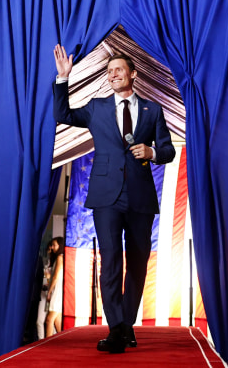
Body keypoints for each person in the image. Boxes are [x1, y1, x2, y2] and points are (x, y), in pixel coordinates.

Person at [52, 46, 175, 354]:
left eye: (118, 69)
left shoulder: (153, 110)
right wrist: (63, 78)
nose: (112, 74)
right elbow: (62, 114)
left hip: (140, 197)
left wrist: (152, 152)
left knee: (137, 263)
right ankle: (118, 329)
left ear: (133, 74)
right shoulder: (96, 108)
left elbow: (168, 150)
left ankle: (125, 326)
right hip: (106, 196)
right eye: (109, 71)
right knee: (110, 262)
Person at [45, 236, 65, 337]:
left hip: (57, 291)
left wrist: (49, 291)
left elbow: (56, 277)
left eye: (54, 245)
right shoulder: (60, 257)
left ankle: (47, 344)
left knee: (49, 320)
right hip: (58, 290)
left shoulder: (60, 257)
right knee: (58, 322)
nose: (52, 247)